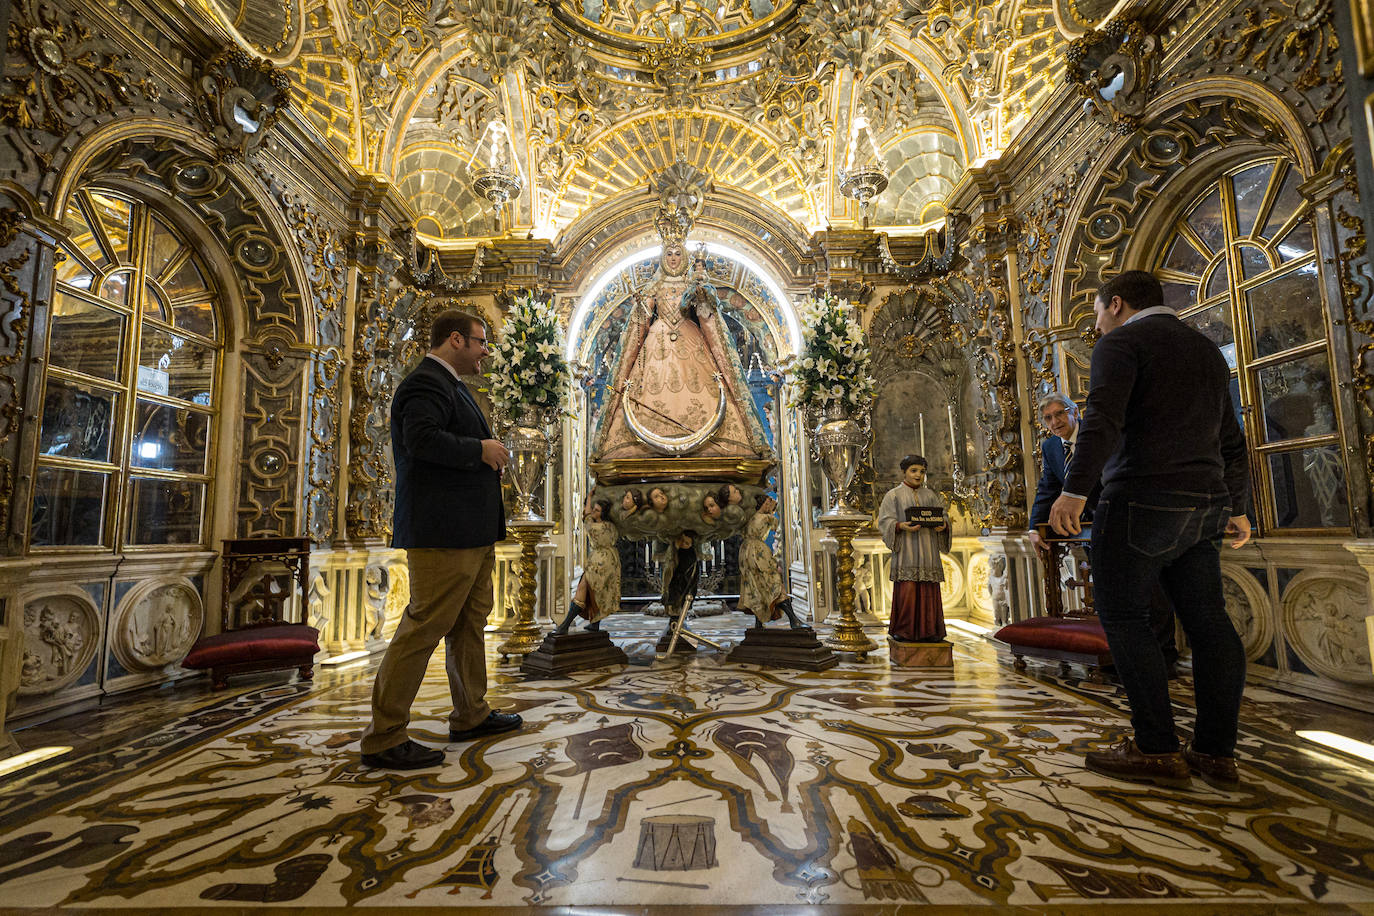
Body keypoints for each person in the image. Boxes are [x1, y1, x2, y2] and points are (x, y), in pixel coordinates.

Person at [1049, 270, 1251, 790]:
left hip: (1141, 499)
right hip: (1205, 504)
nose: (1097, 326)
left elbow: (1102, 420)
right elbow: (1232, 437)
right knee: (1209, 621)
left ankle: (1155, 747)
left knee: (1125, 617)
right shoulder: (1207, 350)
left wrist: (1074, 491)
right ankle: (1215, 752)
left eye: (1097, 314)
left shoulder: (1122, 343)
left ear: (1116, 304)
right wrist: (1238, 505)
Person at [359, 309, 522, 770]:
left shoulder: (452, 386)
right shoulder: (425, 383)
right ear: (456, 339)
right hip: (444, 530)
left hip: (469, 530)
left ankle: (471, 713)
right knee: (424, 627)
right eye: (481, 342)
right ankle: (384, 735)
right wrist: (480, 450)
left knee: (470, 623)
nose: (485, 351)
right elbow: (422, 440)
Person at [1029, 391, 1179, 673]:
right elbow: (1048, 488)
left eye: (1059, 414)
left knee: (1149, 590)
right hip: (1092, 532)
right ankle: (1118, 657)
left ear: (1075, 412)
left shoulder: (1098, 434)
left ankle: (1164, 657)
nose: (1054, 422)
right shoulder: (1050, 447)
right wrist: (1034, 528)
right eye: (1048, 418)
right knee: (1111, 596)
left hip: (1130, 521)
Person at [590, 240, 771, 462]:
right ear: (663, 258)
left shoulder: (691, 282)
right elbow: (642, 318)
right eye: (669, 254)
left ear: (684, 257)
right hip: (658, 340)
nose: (673, 258)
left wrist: (701, 294)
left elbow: (705, 313)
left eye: (677, 253)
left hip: (690, 338)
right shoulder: (654, 286)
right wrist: (640, 308)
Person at [877, 455, 950, 642]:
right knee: (907, 591)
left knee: (928, 590)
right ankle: (904, 630)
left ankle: (930, 631)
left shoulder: (930, 495)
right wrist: (900, 526)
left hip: (928, 551)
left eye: (922, 472)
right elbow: (885, 521)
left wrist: (943, 525)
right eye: (914, 471)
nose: (918, 475)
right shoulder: (893, 495)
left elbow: (942, 516)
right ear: (904, 472)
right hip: (907, 551)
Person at [556, 495, 621, 634]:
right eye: (594, 509)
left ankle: (564, 626)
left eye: (597, 510)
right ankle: (594, 624)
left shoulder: (596, 527)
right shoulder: (611, 527)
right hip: (610, 561)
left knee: (583, 588)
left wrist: (590, 496)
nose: (593, 512)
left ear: (602, 513)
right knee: (596, 593)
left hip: (599, 563)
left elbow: (586, 516)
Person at [737, 494, 803, 628]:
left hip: (745, 552)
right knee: (774, 583)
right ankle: (794, 620)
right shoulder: (766, 518)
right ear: (764, 504)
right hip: (758, 552)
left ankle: (758, 623)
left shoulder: (749, 518)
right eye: (767, 503)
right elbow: (776, 525)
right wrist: (772, 509)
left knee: (755, 586)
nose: (769, 505)